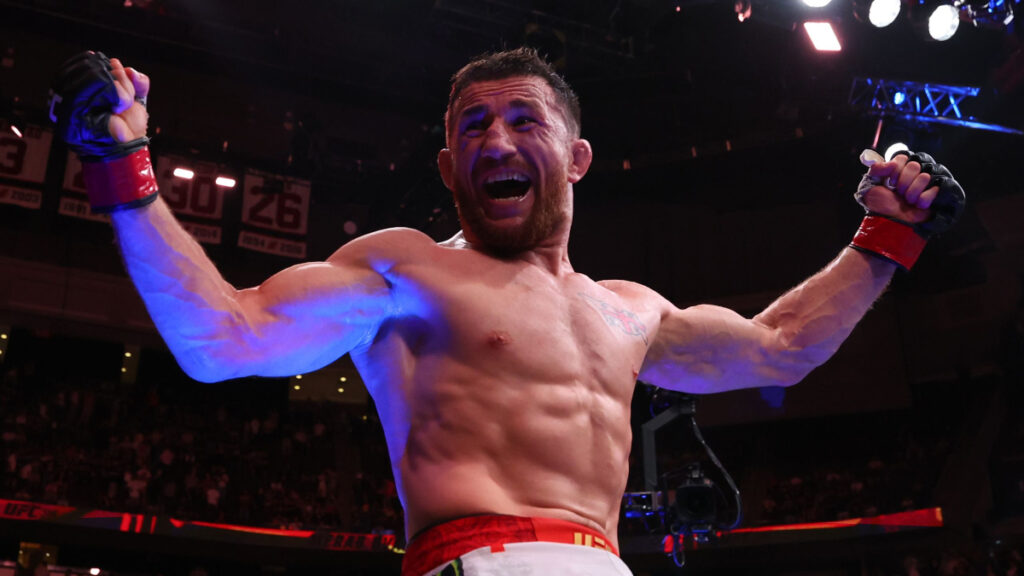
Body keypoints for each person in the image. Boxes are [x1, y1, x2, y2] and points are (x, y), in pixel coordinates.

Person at [50, 47, 964, 576]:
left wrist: (887, 237)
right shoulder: (406, 273)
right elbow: (222, 338)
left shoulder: (629, 311)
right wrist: (119, 166)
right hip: (479, 557)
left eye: (524, 120)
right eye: (472, 126)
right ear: (450, 169)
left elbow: (780, 346)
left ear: (576, 158)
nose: (496, 138)